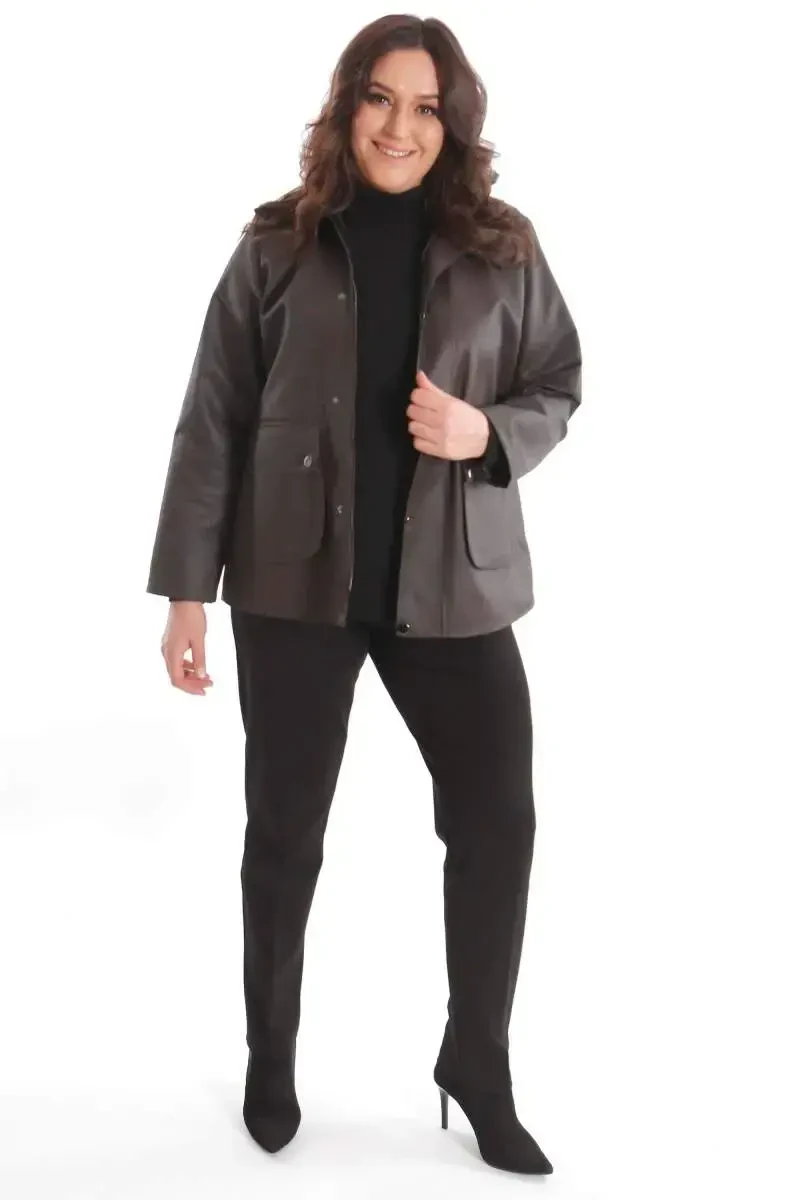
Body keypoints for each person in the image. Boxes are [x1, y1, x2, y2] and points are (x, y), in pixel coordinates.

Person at [146, 13, 581, 1177]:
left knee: (496, 822)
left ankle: (475, 1064)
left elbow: (557, 378)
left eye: (425, 106)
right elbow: (212, 419)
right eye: (379, 99)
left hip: (453, 584)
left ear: (454, 121)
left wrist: (485, 431)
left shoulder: (503, 247)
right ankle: (271, 1056)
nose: (399, 126)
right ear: (346, 108)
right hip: (292, 582)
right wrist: (186, 594)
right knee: (284, 831)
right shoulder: (275, 245)